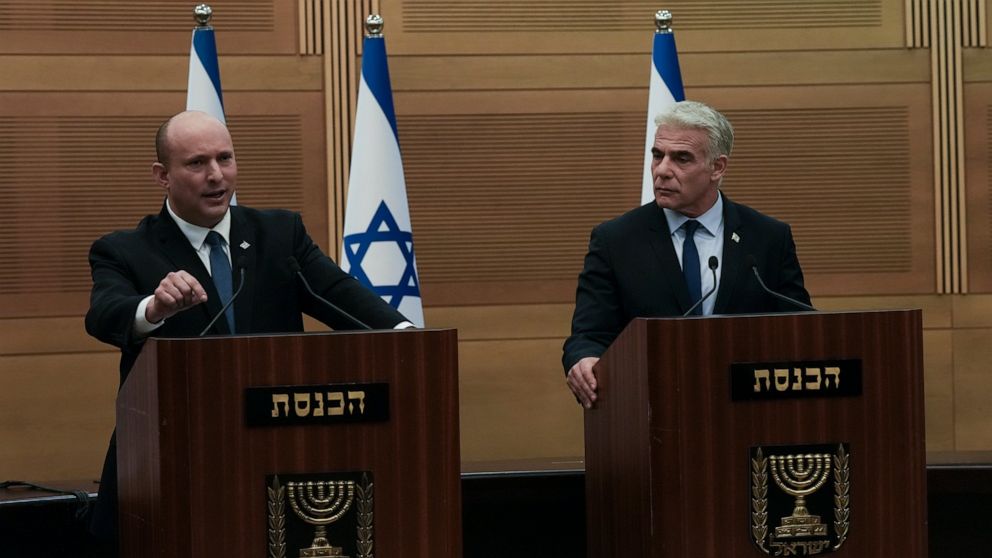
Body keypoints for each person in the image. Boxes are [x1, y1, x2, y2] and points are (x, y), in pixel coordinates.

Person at [84, 110, 411, 545]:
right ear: (163, 175)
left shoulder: (280, 234)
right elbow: (104, 315)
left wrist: (409, 337)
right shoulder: (124, 249)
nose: (216, 175)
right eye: (197, 163)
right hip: (173, 460)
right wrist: (154, 308)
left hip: (275, 456)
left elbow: (341, 296)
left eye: (225, 158)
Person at [562, 100, 811, 408]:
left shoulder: (768, 237)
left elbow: (801, 328)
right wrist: (583, 359)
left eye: (681, 158)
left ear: (717, 167)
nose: (663, 170)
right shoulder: (616, 240)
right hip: (652, 407)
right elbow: (589, 334)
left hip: (749, 410)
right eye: (657, 155)